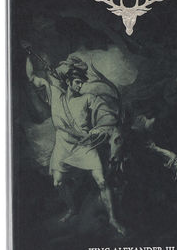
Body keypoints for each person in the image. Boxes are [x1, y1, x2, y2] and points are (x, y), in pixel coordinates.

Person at [25, 53, 126, 235]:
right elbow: (32, 77)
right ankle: (72, 209)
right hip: (63, 145)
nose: (80, 86)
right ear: (69, 82)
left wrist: (96, 131)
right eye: (78, 82)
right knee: (58, 183)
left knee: (101, 181)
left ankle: (113, 219)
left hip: (84, 145)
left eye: (81, 82)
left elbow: (105, 114)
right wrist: (28, 55)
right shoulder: (55, 95)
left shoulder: (87, 99)